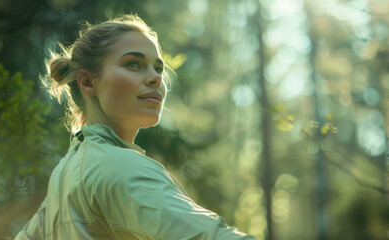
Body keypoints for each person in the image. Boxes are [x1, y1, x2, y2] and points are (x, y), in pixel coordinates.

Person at [15, 14, 255, 240]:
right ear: (88, 82)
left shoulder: (65, 174)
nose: (156, 78)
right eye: (133, 64)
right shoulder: (119, 166)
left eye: (158, 68)